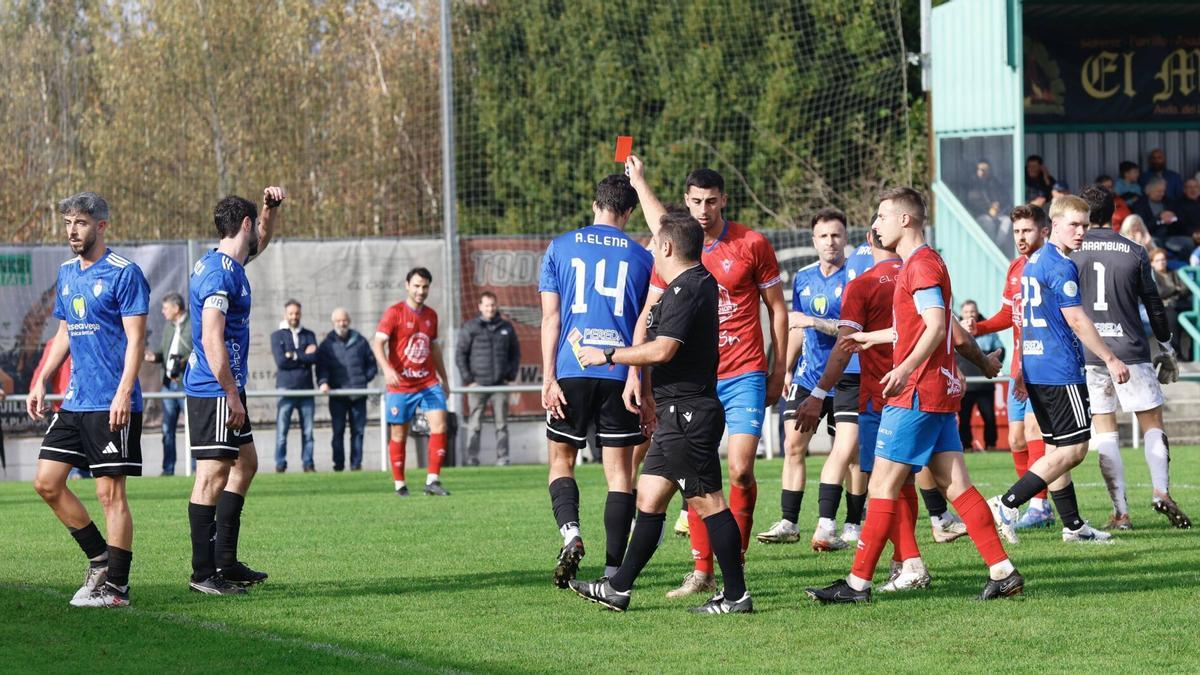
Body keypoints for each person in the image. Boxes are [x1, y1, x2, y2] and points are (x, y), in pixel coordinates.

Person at [806, 187, 1016, 604]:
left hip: (917, 392)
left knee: (882, 484)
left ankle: (857, 584)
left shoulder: (919, 265)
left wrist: (902, 368)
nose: (876, 223)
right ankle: (1002, 570)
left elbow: (937, 326)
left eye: (882, 215)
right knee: (956, 485)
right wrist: (871, 337)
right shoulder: (921, 263)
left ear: (905, 219)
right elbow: (915, 327)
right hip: (935, 391)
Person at [568, 206, 752, 615]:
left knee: (708, 503)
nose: (649, 248)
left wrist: (610, 355)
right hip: (675, 413)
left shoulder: (690, 287)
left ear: (666, 245)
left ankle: (737, 595)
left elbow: (664, 348)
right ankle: (618, 588)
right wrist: (648, 392)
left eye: (653, 242)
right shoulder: (685, 286)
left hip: (689, 414)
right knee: (649, 499)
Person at [626, 156, 788, 600]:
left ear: (724, 201)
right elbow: (649, 313)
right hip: (696, 380)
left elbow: (777, 308)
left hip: (745, 373)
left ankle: (733, 566)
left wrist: (779, 369)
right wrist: (635, 376)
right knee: (694, 474)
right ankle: (703, 573)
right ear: (685, 201)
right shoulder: (676, 248)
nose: (703, 210)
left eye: (711, 202)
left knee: (738, 471)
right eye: (695, 201)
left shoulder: (752, 244)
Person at [28, 191, 150, 608]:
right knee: (46, 482)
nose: (71, 231)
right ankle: (99, 559)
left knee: (110, 495)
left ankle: (116, 589)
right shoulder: (66, 274)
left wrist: (122, 393)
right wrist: (41, 378)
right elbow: (63, 333)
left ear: (101, 225)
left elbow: (137, 340)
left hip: (111, 403)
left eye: (79, 223)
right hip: (76, 401)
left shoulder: (124, 273)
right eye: (67, 223)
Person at [988, 195, 1131, 545]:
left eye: (1084, 225)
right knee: (1076, 449)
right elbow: (1078, 321)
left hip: (1037, 367)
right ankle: (1007, 504)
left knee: (1055, 450)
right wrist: (1111, 359)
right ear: (1054, 225)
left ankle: (1074, 526)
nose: (1081, 232)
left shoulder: (1032, 262)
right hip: (1059, 369)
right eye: (1074, 225)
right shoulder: (1060, 265)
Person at [538, 174, 653, 587]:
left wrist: (548, 377)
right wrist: (641, 380)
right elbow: (645, 326)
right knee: (620, 474)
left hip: (572, 368)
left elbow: (550, 319)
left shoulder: (560, 246)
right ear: (628, 211)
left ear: (594, 204)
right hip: (620, 371)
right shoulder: (643, 258)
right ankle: (611, 571)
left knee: (561, 461)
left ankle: (571, 533)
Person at [184, 186, 284, 595]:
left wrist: (269, 210)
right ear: (244, 225)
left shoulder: (230, 263)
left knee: (245, 465)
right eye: (255, 224)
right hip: (214, 388)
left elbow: (260, 240)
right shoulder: (219, 274)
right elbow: (212, 339)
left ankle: (225, 561)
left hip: (224, 386)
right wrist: (231, 392)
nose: (259, 232)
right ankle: (203, 575)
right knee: (212, 475)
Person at [1073, 186, 1189, 530]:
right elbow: (1154, 304)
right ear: (1114, 213)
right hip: (1130, 350)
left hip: (1091, 354)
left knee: (1106, 431)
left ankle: (1121, 513)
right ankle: (1161, 491)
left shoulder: (1072, 252)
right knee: (1152, 423)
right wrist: (1165, 344)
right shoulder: (1135, 250)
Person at [757, 209, 847, 548]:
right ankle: (789, 522)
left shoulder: (854, 276)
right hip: (808, 376)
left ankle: (843, 523)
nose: (830, 242)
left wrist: (814, 322)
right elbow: (796, 325)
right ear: (813, 241)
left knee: (848, 454)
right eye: (823, 236)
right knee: (793, 445)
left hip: (847, 375)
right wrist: (786, 366)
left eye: (836, 235)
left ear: (845, 239)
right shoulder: (805, 278)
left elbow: (853, 329)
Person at [970, 205, 1056, 529]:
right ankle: (1033, 505)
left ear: (1043, 231)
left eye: (1027, 231)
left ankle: (1040, 507)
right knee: (1016, 440)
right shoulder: (1015, 268)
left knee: (1035, 433)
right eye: (1017, 231)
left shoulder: (1050, 267)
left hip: (1041, 366)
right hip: (1018, 366)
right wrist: (977, 329)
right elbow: (1009, 316)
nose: (1020, 237)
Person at [372, 268, 453, 497]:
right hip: (401, 385)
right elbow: (377, 344)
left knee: (440, 426)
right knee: (399, 433)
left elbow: (434, 348)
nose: (421, 291)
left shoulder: (431, 315)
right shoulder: (394, 313)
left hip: (428, 382)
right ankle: (400, 484)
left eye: (425, 287)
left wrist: (444, 379)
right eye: (416, 286)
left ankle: (433, 481)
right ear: (407, 285)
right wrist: (387, 369)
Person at [456, 291, 520, 466]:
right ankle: (472, 459)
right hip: (478, 385)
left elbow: (515, 353)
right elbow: (460, 355)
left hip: (500, 385)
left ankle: (503, 459)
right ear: (479, 307)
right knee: (474, 425)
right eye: (486, 305)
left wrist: (510, 376)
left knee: (502, 425)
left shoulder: (506, 327)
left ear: (496, 305)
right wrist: (469, 379)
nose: (490, 308)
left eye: (492, 305)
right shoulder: (470, 327)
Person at [316, 308, 378, 471]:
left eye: (344, 320)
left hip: (358, 395)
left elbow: (371, 364)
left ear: (349, 321)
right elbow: (322, 368)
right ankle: (339, 465)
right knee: (338, 432)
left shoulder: (360, 341)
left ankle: (356, 465)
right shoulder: (327, 344)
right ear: (333, 323)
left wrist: (364, 379)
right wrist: (323, 382)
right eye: (338, 321)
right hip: (337, 396)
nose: (341, 324)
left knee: (358, 432)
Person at [144, 292, 190, 476]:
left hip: (186, 385)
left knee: (194, 429)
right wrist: (154, 357)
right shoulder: (169, 327)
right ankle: (168, 468)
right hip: (168, 385)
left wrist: (184, 361)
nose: (163, 312)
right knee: (167, 429)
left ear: (176, 308)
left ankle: (196, 469)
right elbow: (164, 353)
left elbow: (199, 352)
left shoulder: (193, 326)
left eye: (165, 308)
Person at [271, 300, 318, 473]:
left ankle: (308, 463)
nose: (294, 316)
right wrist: (302, 356)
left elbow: (314, 358)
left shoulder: (309, 334)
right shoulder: (277, 336)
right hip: (286, 388)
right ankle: (280, 464)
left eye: (297, 313)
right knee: (282, 432)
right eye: (291, 313)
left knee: (308, 432)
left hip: (306, 389)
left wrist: (293, 355)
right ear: (285, 314)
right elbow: (281, 361)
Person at [956, 300, 1003, 452]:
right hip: (965, 384)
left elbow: (1000, 350)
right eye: (967, 312)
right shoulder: (955, 330)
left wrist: (993, 364)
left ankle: (991, 445)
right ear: (962, 313)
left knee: (989, 418)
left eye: (972, 311)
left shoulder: (989, 330)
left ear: (977, 312)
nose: (970, 315)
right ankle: (966, 446)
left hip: (984, 383)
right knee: (964, 419)